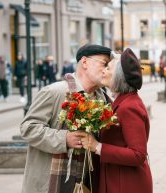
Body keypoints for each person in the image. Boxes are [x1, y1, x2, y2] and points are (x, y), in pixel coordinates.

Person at [20, 44, 111, 193]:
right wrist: (64, 139)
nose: (107, 69)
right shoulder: (55, 92)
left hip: (86, 184)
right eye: (104, 63)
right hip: (50, 184)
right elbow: (28, 128)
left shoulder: (104, 99)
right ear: (85, 62)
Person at [81, 48, 153, 193]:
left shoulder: (129, 107)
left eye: (108, 68)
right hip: (118, 180)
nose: (103, 71)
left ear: (119, 77)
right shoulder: (122, 101)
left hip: (127, 184)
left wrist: (98, 147)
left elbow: (138, 155)